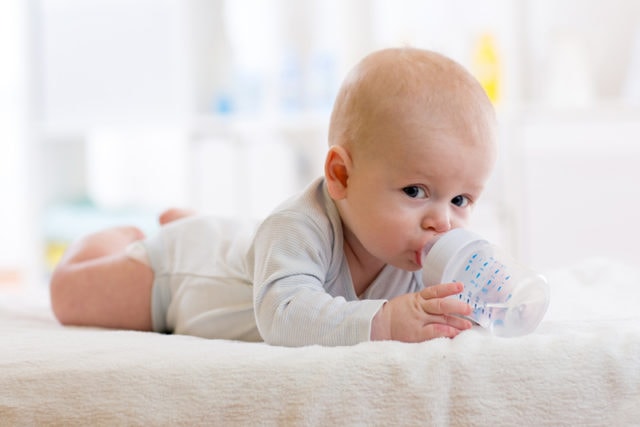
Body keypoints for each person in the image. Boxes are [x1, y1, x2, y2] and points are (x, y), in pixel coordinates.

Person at [50, 47, 497, 347]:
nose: (443, 222)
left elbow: (466, 305)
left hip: (245, 247)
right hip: (180, 275)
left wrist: (486, 299)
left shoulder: (416, 252)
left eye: (461, 200)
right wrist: (387, 322)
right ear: (341, 176)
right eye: (416, 191)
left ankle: (192, 222)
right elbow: (284, 315)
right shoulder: (298, 226)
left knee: (243, 243)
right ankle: (124, 237)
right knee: (70, 297)